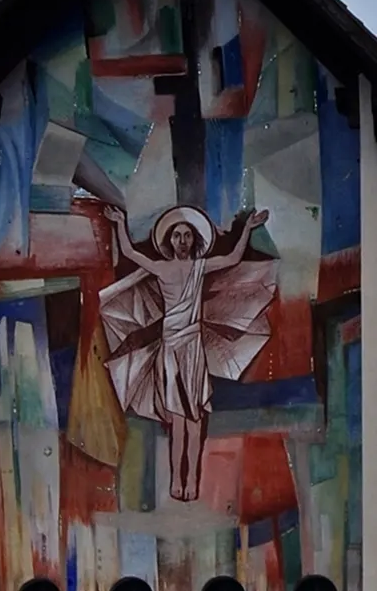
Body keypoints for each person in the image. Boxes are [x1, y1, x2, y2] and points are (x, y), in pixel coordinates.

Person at [99, 203, 274, 501]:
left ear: (194, 240)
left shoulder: (200, 267)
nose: (182, 241)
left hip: (193, 348)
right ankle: (175, 484)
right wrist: (119, 223)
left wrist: (247, 228)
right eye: (177, 236)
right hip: (171, 349)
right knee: (178, 420)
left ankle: (192, 481)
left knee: (195, 419)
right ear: (170, 241)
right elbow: (130, 253)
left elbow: (233, 257)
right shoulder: (162, 267)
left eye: (187, 236)